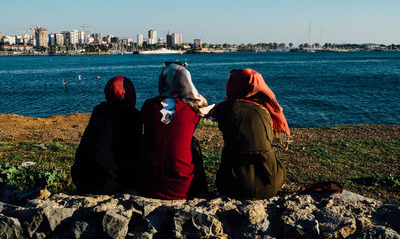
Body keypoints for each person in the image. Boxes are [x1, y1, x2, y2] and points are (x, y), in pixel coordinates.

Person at [213, 68, 290, 199]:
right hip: (271, 183)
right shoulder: (267, 109)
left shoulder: (225, 108)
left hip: (234, 184)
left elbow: (207, 111)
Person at [135, 62, 208, 200]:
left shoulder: (149, 105)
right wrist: (195, 97)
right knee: (192, 143)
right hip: (182, 188)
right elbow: (202, 104)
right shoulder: (190, 111)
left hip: (147, 184)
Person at [71, 76, 142, 194]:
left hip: (81, 180)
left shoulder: (98, 110)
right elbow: (135, 150)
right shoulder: (132, 115)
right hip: (109, 184)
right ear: (129, 93)